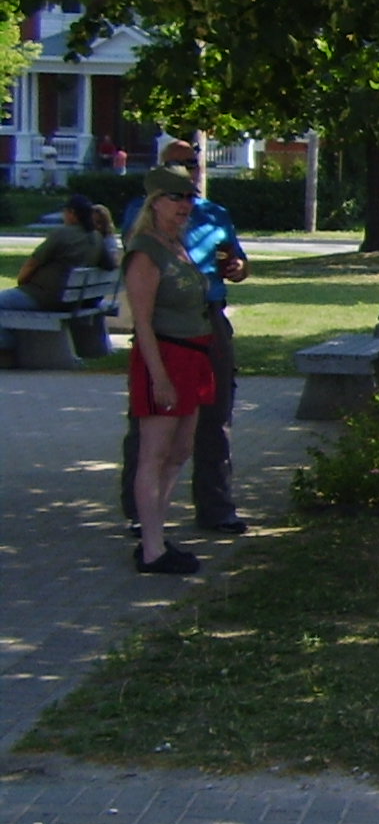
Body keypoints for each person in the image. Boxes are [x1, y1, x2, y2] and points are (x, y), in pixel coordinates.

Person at [120, 140, 250, 535]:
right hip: (165, 329)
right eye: (175, 168)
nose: (185, 177)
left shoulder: (215, 214)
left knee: (214, 417)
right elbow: (141, 290)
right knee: (152, 426)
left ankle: (215, 507)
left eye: (191, 166)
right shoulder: (143, 223)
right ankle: (142, 516)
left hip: (208, 320)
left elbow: (237, 262)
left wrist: (237, 267)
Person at [124, 166, 216, 575]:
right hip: (163, 357)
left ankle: (156, 534)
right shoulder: (146, 251)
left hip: (195, 356)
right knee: (154, 454)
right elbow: (141, 320)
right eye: (176, 198)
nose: (185, 206)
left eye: (189, 199)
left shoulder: (177, 245)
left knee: (180, 451)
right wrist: (158, 376)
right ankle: (152, 549)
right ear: (155, 202)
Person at [0, 193, 118, 364]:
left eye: (65, 212)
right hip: (73, 300)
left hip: (43, 297)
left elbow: (32, 264)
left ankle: (5, 349)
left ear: (72, 213)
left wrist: (22, 281)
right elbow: (110, 266)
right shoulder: (96, 238)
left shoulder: (62, 234)